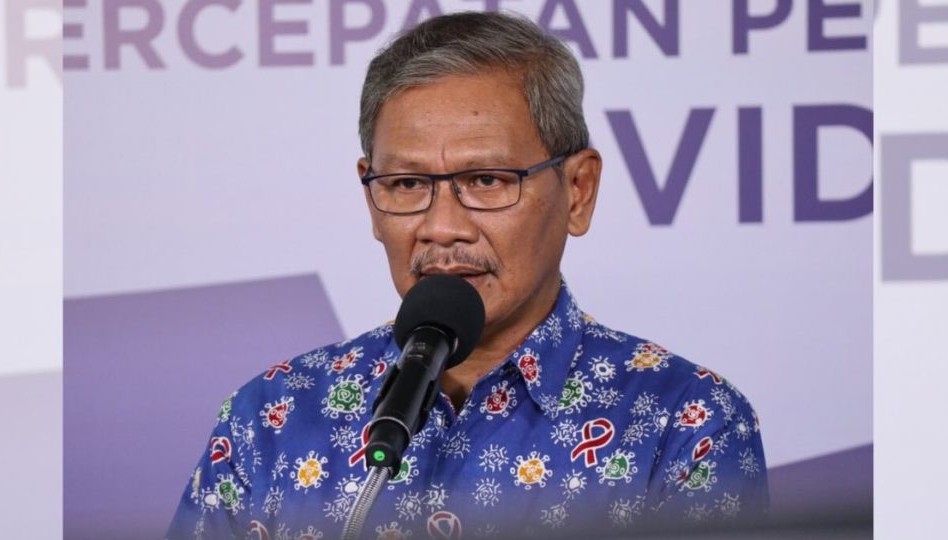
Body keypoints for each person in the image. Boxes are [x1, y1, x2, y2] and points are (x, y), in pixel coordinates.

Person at [167, 11, 768, 540]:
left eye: (486, 181)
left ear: (578, 190)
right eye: (406, 185)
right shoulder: (272, 416)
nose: (442, 227)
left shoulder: (685, 423)